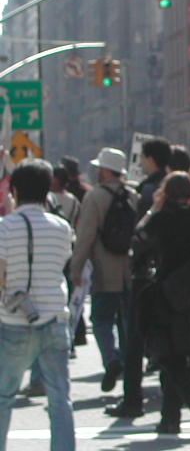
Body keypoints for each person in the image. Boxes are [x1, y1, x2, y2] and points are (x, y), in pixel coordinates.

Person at [134, 171, 190, 434]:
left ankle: (188, 407)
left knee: (167, 355)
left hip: (168, 290)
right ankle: (171, 416)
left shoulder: (162, 218)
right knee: (184, 354)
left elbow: (140, 237)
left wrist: (153, 208)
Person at [0, 159, 75, 451]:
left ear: (15, 189)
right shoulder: (62, 227)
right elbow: (62, 263)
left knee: (4, 397)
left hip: (13, 321)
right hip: (55, 318)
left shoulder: (4, 228)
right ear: (48, 191)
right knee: (60, 399)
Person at [106, 137, 171, 418]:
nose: (140, 163)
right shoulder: (176, 184)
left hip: (146, 273)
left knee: (134, 338)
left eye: (142, 158)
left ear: (151, 158)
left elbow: (143, 232)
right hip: (172, 273)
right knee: (170, 338)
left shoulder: (148, 190)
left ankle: (132, 399)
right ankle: (179, 396)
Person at [70, 148, 138, 394]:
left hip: (104, 269)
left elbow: (85, 236)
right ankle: (128, 366)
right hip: (129, 270)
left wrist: (76, 268)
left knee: (101, 320)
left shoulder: (95, 196)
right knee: (128, 323)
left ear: (106, 170)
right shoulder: (133, 195)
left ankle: (112, 359)